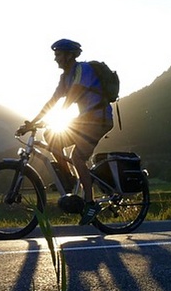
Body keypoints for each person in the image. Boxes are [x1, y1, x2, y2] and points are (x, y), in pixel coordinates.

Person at [18, 38, 115, 224]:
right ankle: (69, 180)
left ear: (69, 55)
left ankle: (90, 203)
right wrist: (32, 123)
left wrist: (57, 116)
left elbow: (72, 95)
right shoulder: (65, 77)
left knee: (77, 157)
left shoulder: (82, 70)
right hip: (86, 120)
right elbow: (52, 101)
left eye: (58, 54)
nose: (55, 58)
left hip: (99, 119)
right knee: (51, 136)